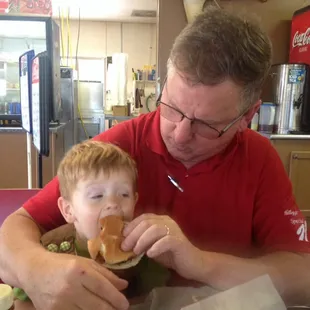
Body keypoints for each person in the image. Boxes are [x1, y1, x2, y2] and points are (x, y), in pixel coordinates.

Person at [0, 6, 310, 310]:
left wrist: (200, 263)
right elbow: (15, 229)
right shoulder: (116, 152)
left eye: (206, 125)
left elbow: (302, 278)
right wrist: (37, 270)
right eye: (172, 108)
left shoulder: (259, 159)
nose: (180, 134)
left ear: (248, 116)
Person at [11, 140, 170, 304]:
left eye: (124, 194)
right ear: (68, 210)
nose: (113, 204)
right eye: (97, 196)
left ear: (135, 202)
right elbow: (22, 301)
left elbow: (159, 298)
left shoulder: (141, 249)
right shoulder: (51, 249)